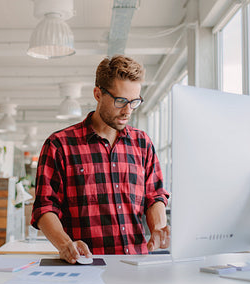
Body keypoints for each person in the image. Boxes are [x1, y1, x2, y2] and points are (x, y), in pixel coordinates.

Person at [31, 55, 170, 263]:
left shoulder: (142, 144)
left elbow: (155, 196)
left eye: (135, 102)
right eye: (121, 101)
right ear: (98, 94)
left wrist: (159, 228)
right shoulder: (59, 145)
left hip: (136, 266)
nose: (127, 110)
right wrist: (65, 244)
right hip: (85, 266)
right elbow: (44, 208)